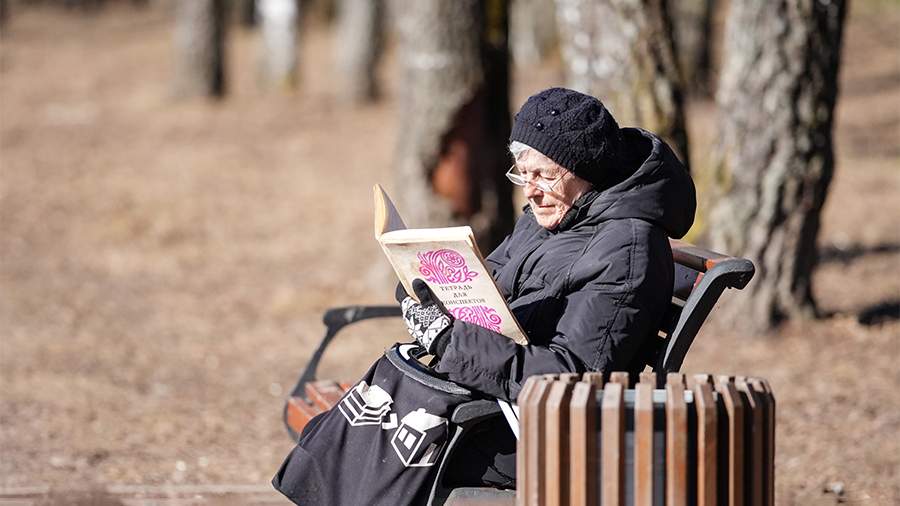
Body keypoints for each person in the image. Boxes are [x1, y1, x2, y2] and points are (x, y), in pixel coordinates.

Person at [398, 87, 696, 487]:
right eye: (523, 173)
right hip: (492, 403)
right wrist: (426, 288)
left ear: (587, 171)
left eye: (544, 175)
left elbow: (569, 379)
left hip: (537, 436)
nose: (531, 190)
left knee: (371, 447)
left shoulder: (625, 251)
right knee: (357, 426)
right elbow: (489, 282)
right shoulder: (552, 216)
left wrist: (451, 342)